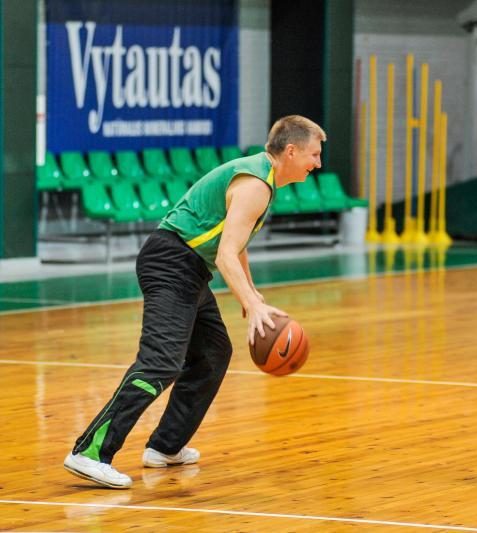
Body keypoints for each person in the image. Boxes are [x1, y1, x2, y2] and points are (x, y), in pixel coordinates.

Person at [64, 115, 325, 489]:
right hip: (171, 261)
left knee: (214, 352)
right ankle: (89, 452)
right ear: (291, 150)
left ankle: (165, 446)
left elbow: (235, 245)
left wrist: (252, 294)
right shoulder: (255, 184)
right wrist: (249, 305)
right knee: (161, 362)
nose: (317, 163)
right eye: (314, 155)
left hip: (188, 267)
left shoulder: (261, 179)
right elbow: (225, 256)